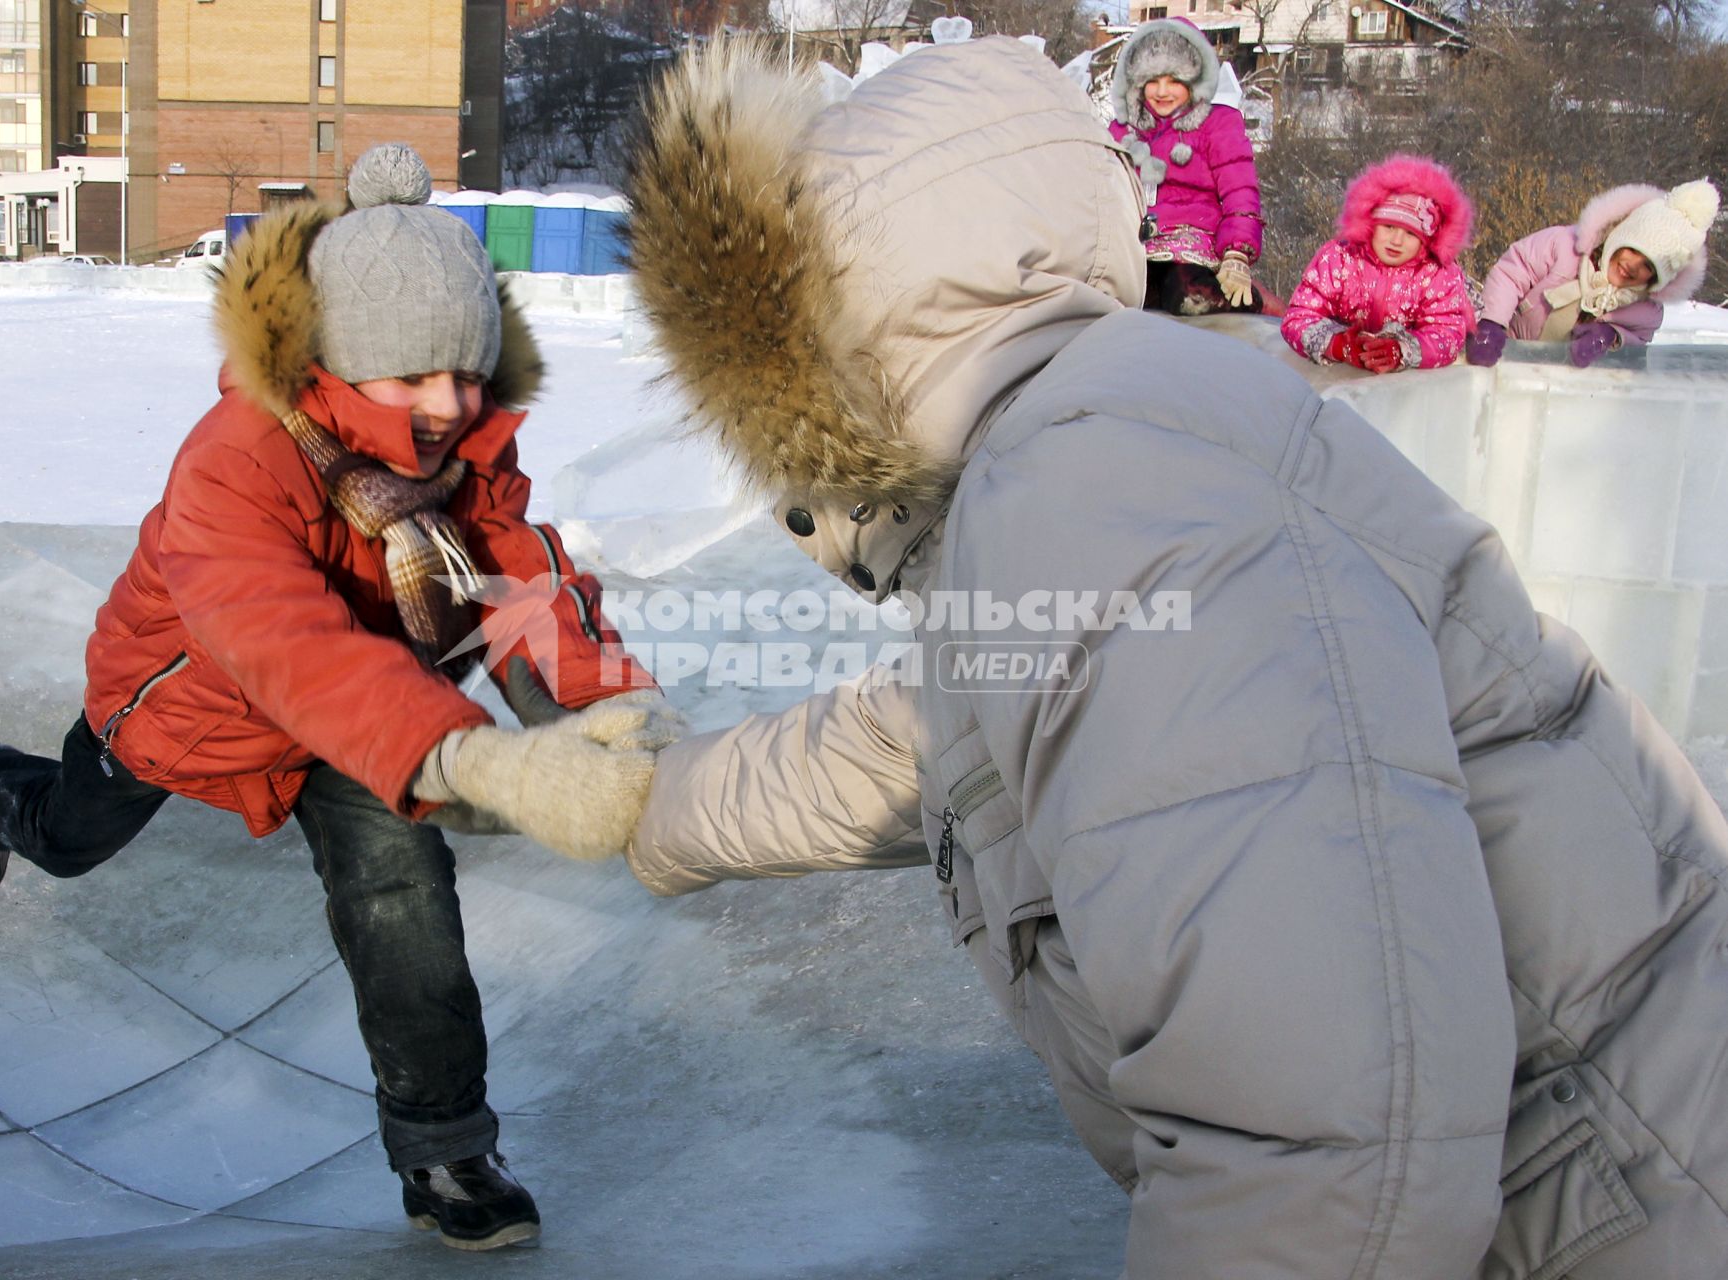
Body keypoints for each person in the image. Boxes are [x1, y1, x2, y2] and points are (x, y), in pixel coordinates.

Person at [619, 37, 1728, 1278]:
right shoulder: (1072, 451)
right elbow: (916, 734)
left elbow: (1330, 1148)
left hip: (1615, 1220)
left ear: (813, 348)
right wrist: (641, 799)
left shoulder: (1094, 486)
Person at [0, 144, 680, 1253]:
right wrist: (477, 760)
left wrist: (619, 714)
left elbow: (526, 586)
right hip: (190, 705)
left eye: (466, 371)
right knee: (68, 833)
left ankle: (445, 1149)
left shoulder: (467, 452)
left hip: (366, 711)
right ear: (336, 357)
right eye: (412, 375)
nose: (446, 404)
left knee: (401, 884)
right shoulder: (234, 461)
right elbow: (284, 648)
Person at [1106, 17, 1264, 316]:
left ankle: (1241, 300)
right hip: (1135, 251)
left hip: (1191, 249)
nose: (1162, 91)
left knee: (1188, 294)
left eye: (1175, 80)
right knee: (1111, 299)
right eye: (1153, 80)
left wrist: (1237, 252)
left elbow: (1240, 192)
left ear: (1195, 80)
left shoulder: (1217, 125)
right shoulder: (1123, 131)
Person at [1468, 178, 1719, 367]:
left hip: (1564, 385)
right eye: (1632, 250)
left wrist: (1612, 337)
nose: (1633, 265)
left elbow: (1638, 344)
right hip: (1510, 351)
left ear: (1657, 280)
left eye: (1648, 267)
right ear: (1619, 235)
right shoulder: (1565, 246)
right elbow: (1512, 273)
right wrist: (1493, 322)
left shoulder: (1646, 311)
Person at [1280, 154, 1477, 372]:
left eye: (1411, 234)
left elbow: (1447, 333)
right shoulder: (1340, 258)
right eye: (1389, 227)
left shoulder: (1436, 274)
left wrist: (1402, 350)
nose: (1396, 241)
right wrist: (1337, 344)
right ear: (1370, 221)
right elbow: (1299, 316)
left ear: (1427, 240)